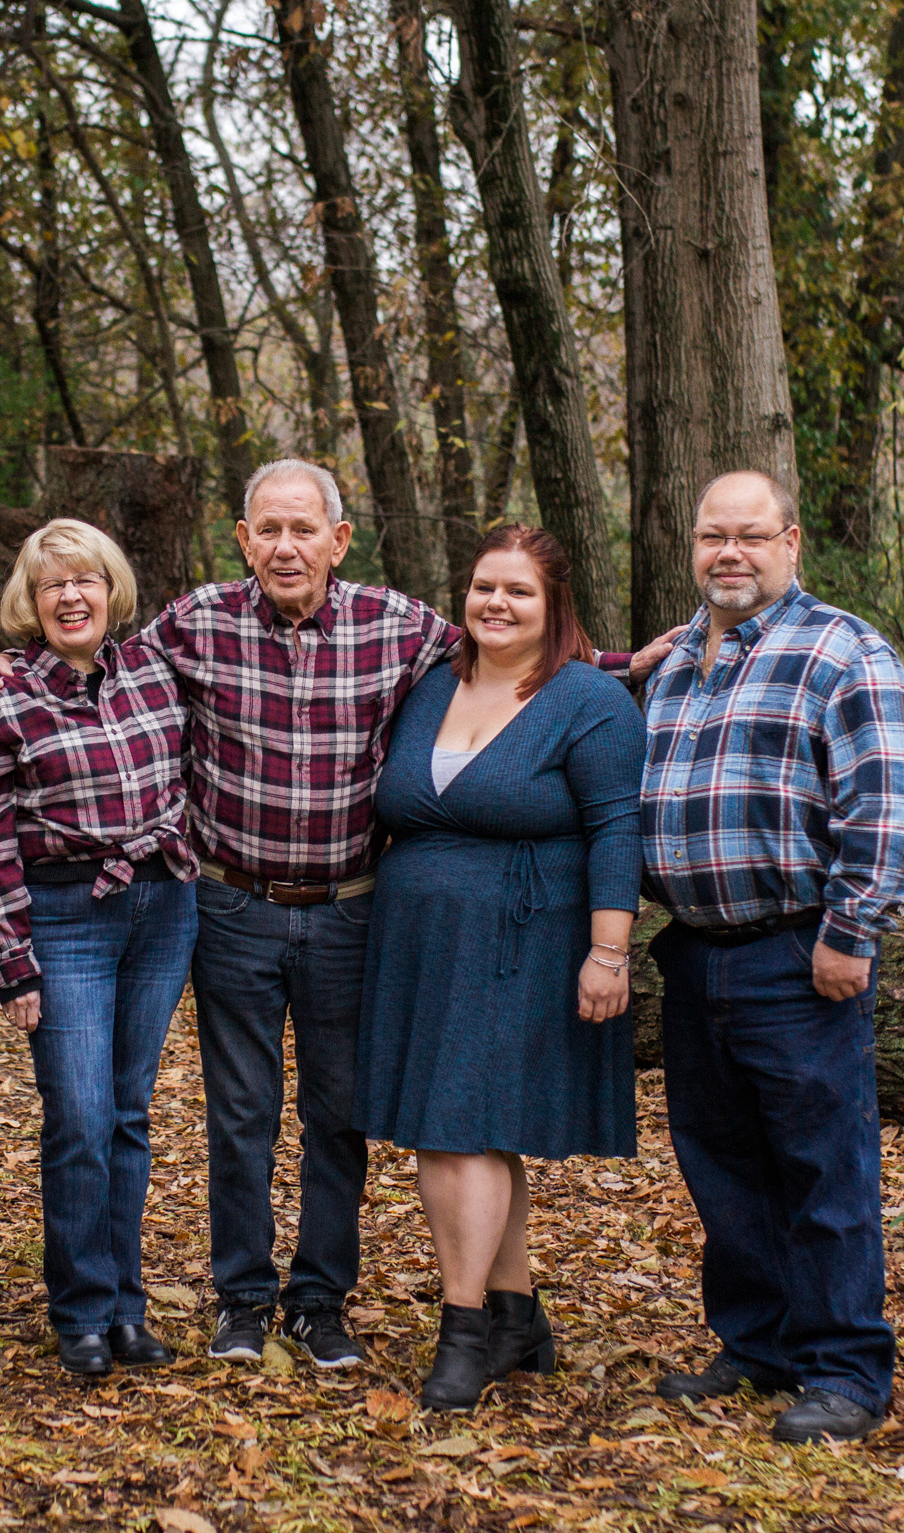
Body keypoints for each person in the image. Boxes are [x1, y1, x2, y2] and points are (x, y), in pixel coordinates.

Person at [0, 460, 679, 1372]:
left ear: (339, 540)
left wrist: (619, 667)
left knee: (338, 1114)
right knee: (240, 1112)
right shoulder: (193, 625)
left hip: (351, 911)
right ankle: (242, 1298)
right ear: (243, 539)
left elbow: (505, 654)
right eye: (268, 529)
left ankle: (319, 1300)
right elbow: (88, 655)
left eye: (304, 529)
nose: (286, 546)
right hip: (231, 902)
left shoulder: (396, 626)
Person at [640, 470, 904, 1445]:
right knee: (722, 1168)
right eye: (712, 535)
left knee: (821, 1169)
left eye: (749, 536)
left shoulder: (841, 650)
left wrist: (850, 933)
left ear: (789, 542)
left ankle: (844, 1368)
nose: (729, 552)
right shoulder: (675, 660)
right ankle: (757, 1345)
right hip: (693, 953)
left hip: (798, 952)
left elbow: (881, 806)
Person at [356, 525, 644, 1411]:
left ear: (553, 603)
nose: (496, 604)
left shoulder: (588, 701)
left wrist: (609, 950)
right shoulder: (433, 686)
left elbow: (616, 830)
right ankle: (517, 1314)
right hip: (421, 944)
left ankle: (464, 1328)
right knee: (472, 1127)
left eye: (518, 591)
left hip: (524, 943)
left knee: (458, 1127)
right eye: (484, 586)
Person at [0, 520, 199, 1377]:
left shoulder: (159, 671)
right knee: (82, 1118)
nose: (71, 596)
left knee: (129, 1114)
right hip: (66, 918)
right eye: (52, 583)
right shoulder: (6, 697)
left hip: (164, 907)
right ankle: (81, 1310)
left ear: (111, 588)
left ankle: (127, 1307)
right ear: (31, 599)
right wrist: (11, 959)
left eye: (85, 579)